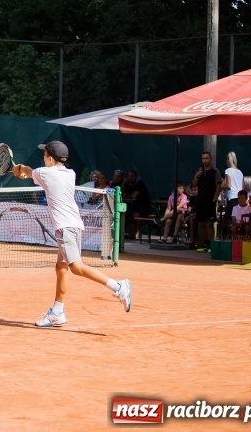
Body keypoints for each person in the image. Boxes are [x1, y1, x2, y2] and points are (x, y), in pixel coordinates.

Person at [12, 140, 132, 327]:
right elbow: (34, 174)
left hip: (64, 227)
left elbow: (28, 171)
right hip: (74, 225)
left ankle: (118, 286)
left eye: (44, 155)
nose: (43, 158)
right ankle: (57, 312)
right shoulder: (70, 173)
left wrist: (19, 168)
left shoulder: (44, 172)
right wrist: (25, 172)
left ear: (50, 159)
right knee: (61, 267)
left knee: (76, 267)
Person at [192, 151, 222, 253]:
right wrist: (197, 176)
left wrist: (215, 198)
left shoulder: (215, 171)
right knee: (201, 223)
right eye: (203, 159)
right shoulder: (199, 171)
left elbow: (219, 186)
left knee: (210, 223)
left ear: (211, 159)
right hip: (200, 200)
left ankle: (211, 245)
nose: (205, 160)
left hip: (210, 201)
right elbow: (194, 185)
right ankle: (204, 244)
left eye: (206, 158)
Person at [122, 170, 151, 239]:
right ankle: (127, 232)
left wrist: (127, 196)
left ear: (136, 177)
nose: (130, 178)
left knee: (135, 216)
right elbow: (123, 193)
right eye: (129, 176)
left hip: (143, 207)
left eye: (132, 176)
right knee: (124, 214)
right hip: (132, 206)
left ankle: (136, 232)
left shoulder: (140, 184)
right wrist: (123, 184)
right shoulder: (128, 184)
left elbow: (133, 196)